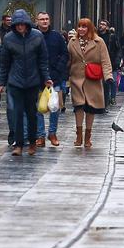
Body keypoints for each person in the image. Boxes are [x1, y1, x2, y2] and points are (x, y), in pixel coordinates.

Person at [0, 9, 52, 157]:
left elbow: (43, 60)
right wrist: (1, 82)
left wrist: (46, 77)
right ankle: (19, 144)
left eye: (22, 24)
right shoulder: (8, 38)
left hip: (33, 80)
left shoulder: (37, 36)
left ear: (27, 23)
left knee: (32, 113)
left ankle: (32, 142)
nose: (20, 27)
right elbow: (5, 62)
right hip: (15, 81)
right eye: (17, 24)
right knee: (17, 113)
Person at [67, 18, 113, 150]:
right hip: (76, 78)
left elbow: (105, 61)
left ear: (90, 28)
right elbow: (68, 59)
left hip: (92, 79)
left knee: (90, 107)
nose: (81, 29)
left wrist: (108, 76)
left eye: (84, 27)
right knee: (79, 106)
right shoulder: (72, 41)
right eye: (79, 26)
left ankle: (88, 136)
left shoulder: (99, 42)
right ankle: (78, 135)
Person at [36, 12, 69, 147]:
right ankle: (40, 135)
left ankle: (52, 133)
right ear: (37, 21)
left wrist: (57, 69)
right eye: (42, 19)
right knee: (39, 108)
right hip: (37, 78)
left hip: (55, 77)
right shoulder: (33, 35)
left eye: (46, 19)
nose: (44, 21)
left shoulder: (57, 36)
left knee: (54, 107)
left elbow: (65, 54)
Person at [98, 19, 120, 106]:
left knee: (111, 81)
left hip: (111, 62)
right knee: (102, 82)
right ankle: (103, 101)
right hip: (99, 62)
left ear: (107, 27)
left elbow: (117, 49)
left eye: (103, 24)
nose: (101, 26)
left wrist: (117, 60)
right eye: (100, 24)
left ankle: (112, 98)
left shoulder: (112, 37)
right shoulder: (96, 36)